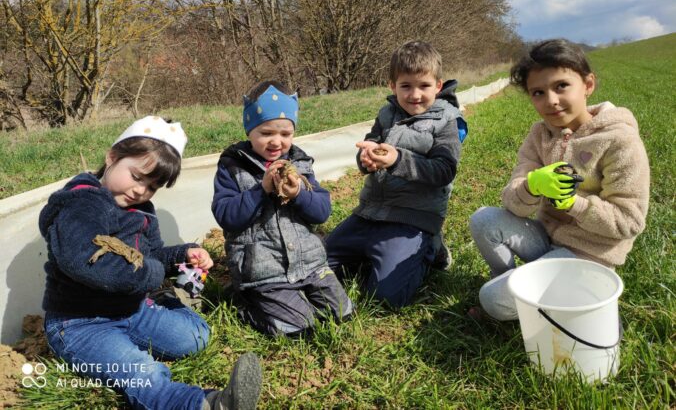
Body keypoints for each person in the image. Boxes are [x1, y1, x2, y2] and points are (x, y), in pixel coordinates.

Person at [40, 116, 262, 410]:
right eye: (136, 176)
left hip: (133, 310)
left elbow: (154, 254)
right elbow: (84, 261)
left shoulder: (142, 210)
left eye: (152, 186)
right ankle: (209, 403)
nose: (140, 190)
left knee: (195, 336)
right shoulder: (83, 203)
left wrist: (184, 254)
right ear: (112, 157)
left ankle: (169, 300)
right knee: (139, 370)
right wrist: (153, 273)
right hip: (81, 323)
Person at [469, 38, 650, 321]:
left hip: (589, 257)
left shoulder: (619, 139)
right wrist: (532, 185)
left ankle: (533, 298)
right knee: (483, 219)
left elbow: (629, 221)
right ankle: (517, 284)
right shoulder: (539, 135)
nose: (550, 101)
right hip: (546, 238)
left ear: (588, 85)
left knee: (491, 300)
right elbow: (514, 205)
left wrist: (572, 203)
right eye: (538, 92)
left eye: (561, 86)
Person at [324, 40, 467, 308]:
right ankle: (374, 254)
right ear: (392, 86)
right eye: (406, 86)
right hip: (369, 213)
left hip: (412, 220)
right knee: (316, 266)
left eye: (424, 86)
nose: (415, 94)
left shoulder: (447, 121)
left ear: (438, 85)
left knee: (385, 298)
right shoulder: (387, 113)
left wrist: (397, 159)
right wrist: (366, 158)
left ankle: (430, 250)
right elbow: (370, 146)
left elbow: (444, 171)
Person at [212, 81, 353, 337]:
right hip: (263, 267)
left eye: (286, 134)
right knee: (299, 327)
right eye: (266, 133)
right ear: (249, 130)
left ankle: (292, 297)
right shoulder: (233, 167)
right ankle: (247, 301)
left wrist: (299, 193)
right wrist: (261, 190)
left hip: (308, 263)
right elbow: (226, 216)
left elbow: (321, 212)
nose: (276, 142)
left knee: (342, 312)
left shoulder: (300, 164)